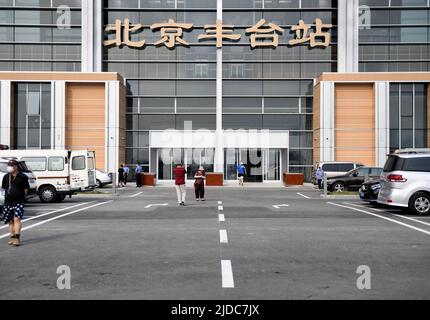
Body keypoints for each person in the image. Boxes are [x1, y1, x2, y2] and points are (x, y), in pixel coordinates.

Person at [1, 160, 30, 247]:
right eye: (9, 165)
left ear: (16, 166)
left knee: (16, 219)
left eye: (11, 165)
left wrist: (21, 196)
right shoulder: (6, 176)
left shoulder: (23, 177)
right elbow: (4, 188)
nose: (9, 167)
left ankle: (17, 238)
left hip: (18, 201)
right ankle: (12, 237)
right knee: (10, 221)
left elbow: (26, 189)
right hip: (8, 202)